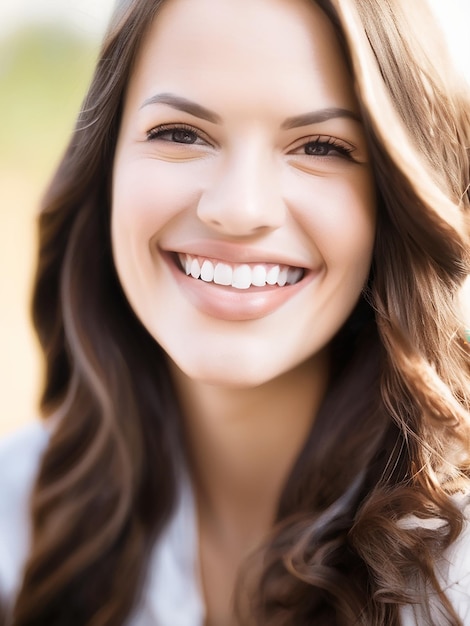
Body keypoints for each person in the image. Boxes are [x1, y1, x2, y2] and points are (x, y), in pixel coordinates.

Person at [1, 0, 470, 624]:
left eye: (322, 146)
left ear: (397, 197)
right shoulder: (17, 516)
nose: (239, 207)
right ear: (105, 164)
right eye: (180, 133)